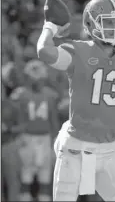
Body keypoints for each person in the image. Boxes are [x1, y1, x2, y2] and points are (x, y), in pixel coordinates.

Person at [37, 0, 115, 201]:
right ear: (90, 24)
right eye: (108, 21)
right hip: (77, 147)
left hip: (109, 149)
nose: (114, 27)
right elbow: (45, 51)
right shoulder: (79, 51)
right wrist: (50, 27)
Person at [11, 60, 60, 201]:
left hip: (44, 138)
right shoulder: (21, 94)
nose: (37, 81)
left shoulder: (49, 95)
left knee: (45, 175)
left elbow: (54, 118)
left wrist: (55, 139)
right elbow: (16, 117)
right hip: (27, 137)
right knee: (26, 175)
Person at [1, 84, 23, 202]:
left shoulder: (13, 106)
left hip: (8, 145)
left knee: (12, 181)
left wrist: (8, 129)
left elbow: (22, 126)